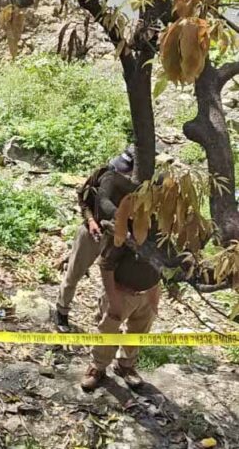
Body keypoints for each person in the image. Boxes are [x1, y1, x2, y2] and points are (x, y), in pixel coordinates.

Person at [55, 146, 135, 331]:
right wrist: (90, 220)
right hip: (92, 233)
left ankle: (103, 317)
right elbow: (83, 198)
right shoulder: (102, 174)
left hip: (118, 240)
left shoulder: (140, 188)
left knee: (113, 283)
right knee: (74, 273)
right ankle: (61, 311)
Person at [80, 220, 161, 391]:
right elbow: (106, 264)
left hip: (149, 291)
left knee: (139, 330)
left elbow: (165, 264)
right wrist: (113, 298)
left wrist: (155, 295)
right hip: (120, 291)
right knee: (108, 328)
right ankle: (97, 367)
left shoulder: (166, 228)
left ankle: (125, 365)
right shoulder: (124, 226)